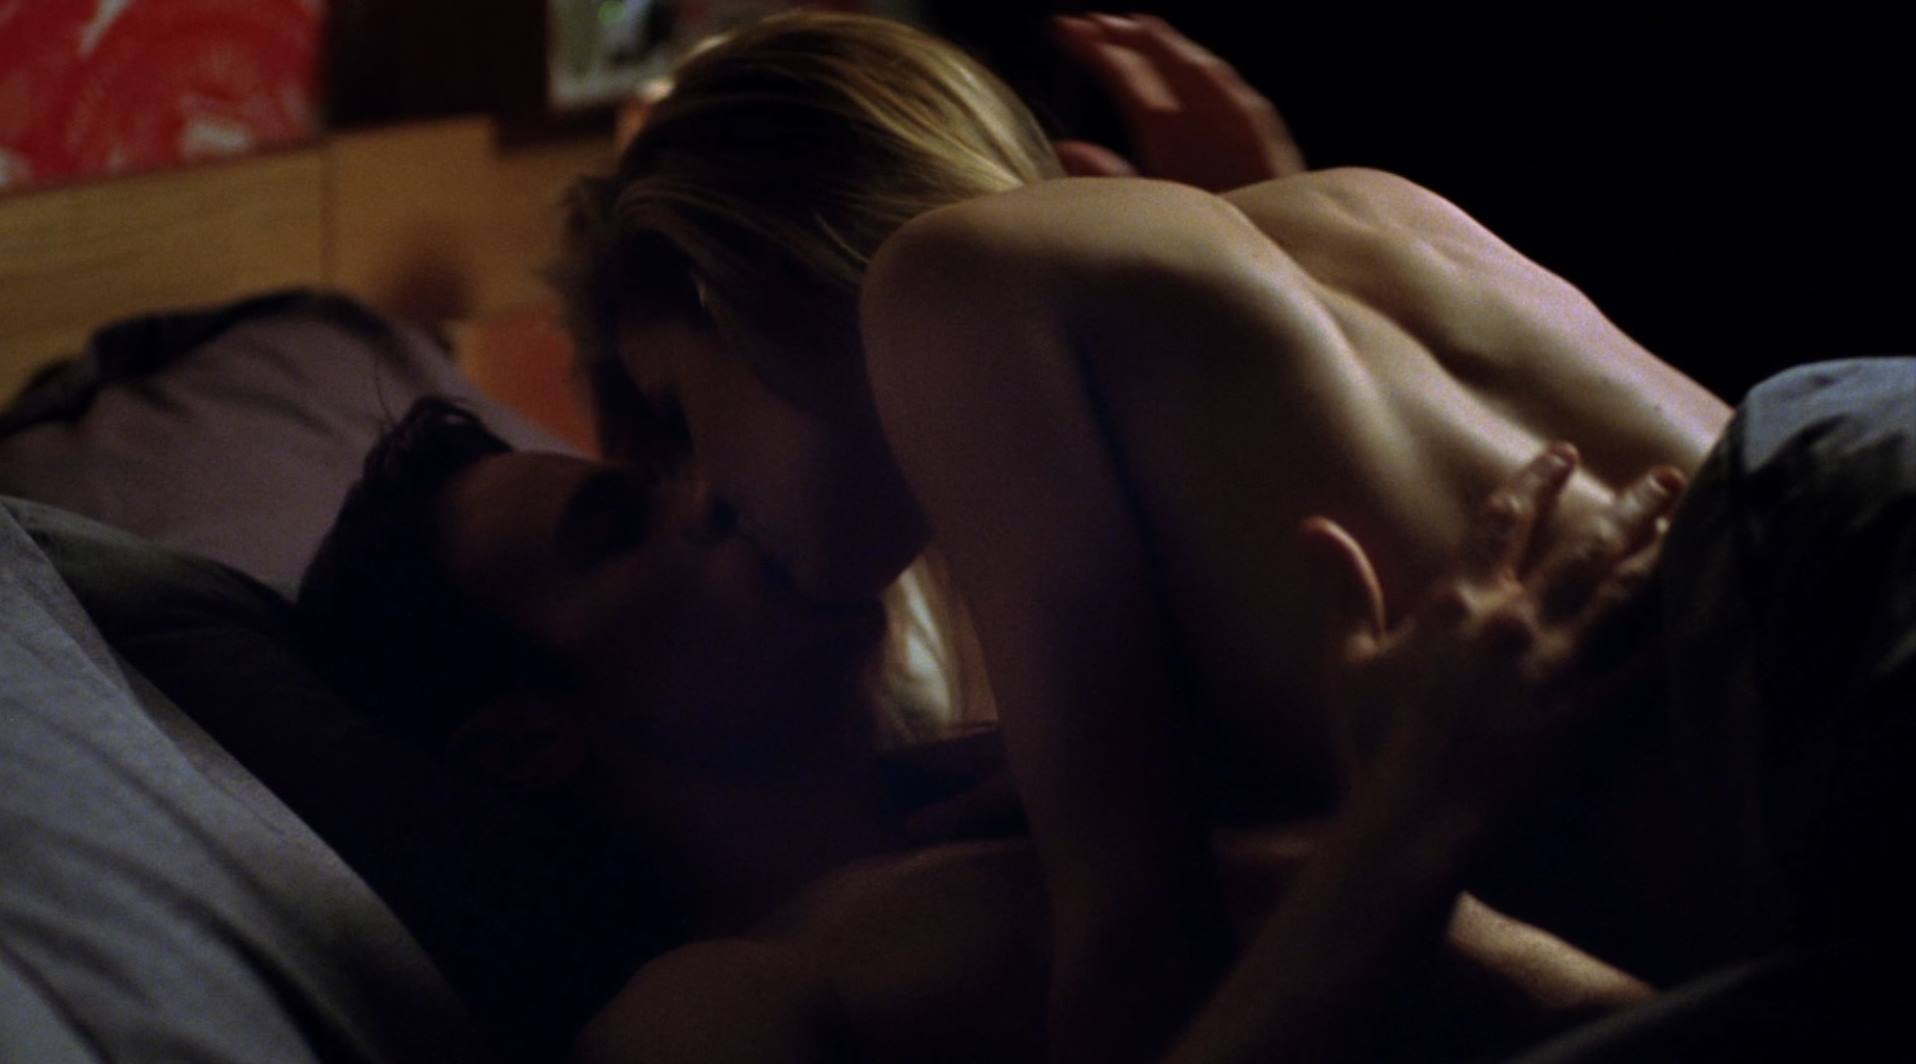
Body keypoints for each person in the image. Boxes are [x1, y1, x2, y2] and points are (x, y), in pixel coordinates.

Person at [550, 10, 1732, 1058]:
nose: (699, 498)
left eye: (674, 415)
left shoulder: (937, 295)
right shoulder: (1329, 213)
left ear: (729, 279)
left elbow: (1134, 973)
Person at [297, 397, 1668, 1063]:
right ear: (524, 739)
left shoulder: (1047, 779)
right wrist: (1411, 821)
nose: (710, 493)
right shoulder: (702, 1003)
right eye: (616, 528)